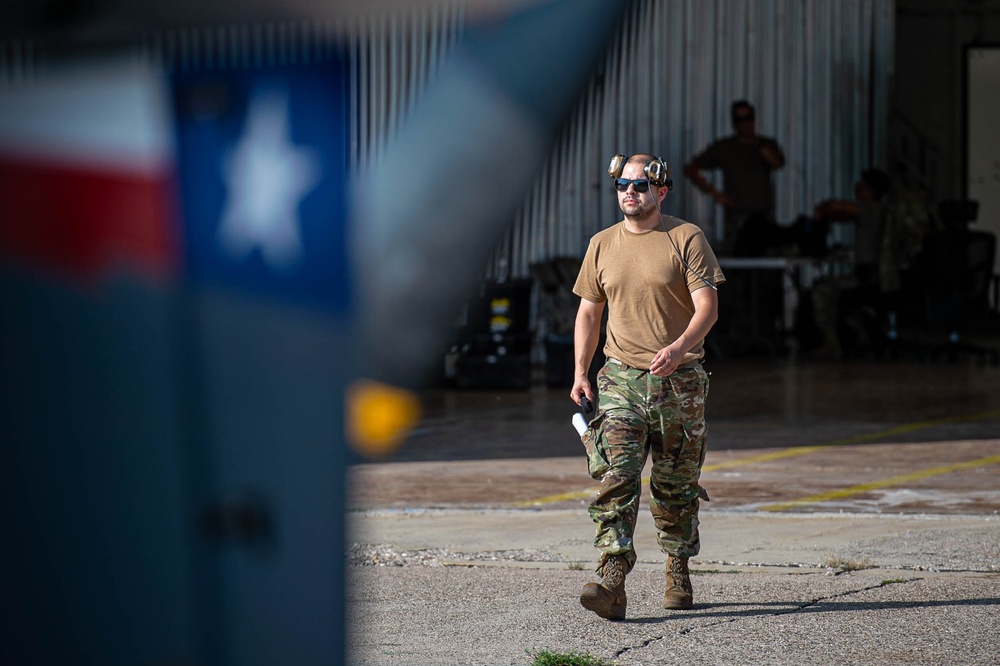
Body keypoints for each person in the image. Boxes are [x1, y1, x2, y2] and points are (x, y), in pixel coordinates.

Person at [571, 153, 726, 620]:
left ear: (661, 191)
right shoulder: (601, 244)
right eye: (622, 185)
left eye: (640, 185)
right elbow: (588, 313)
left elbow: (708, 308)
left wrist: (679, 349)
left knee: (675, 484)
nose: (630, 193)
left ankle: (677, 568)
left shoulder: (686, 238)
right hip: (619, 377)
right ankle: (612, 577)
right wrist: (581, 370)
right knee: (616, 476)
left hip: (678, 382)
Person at [683, 100, 785, 255]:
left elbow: (778, 163)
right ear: (734, 123)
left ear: (754, 120)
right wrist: (717, 195)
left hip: (763, 216)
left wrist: (759, 146)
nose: (744, 123)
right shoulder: (726, 147)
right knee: (738, 264)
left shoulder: (766, 145)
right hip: (737, 218)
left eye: (748, 118)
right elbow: (691, 168)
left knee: (767, 265)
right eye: (739, 119)